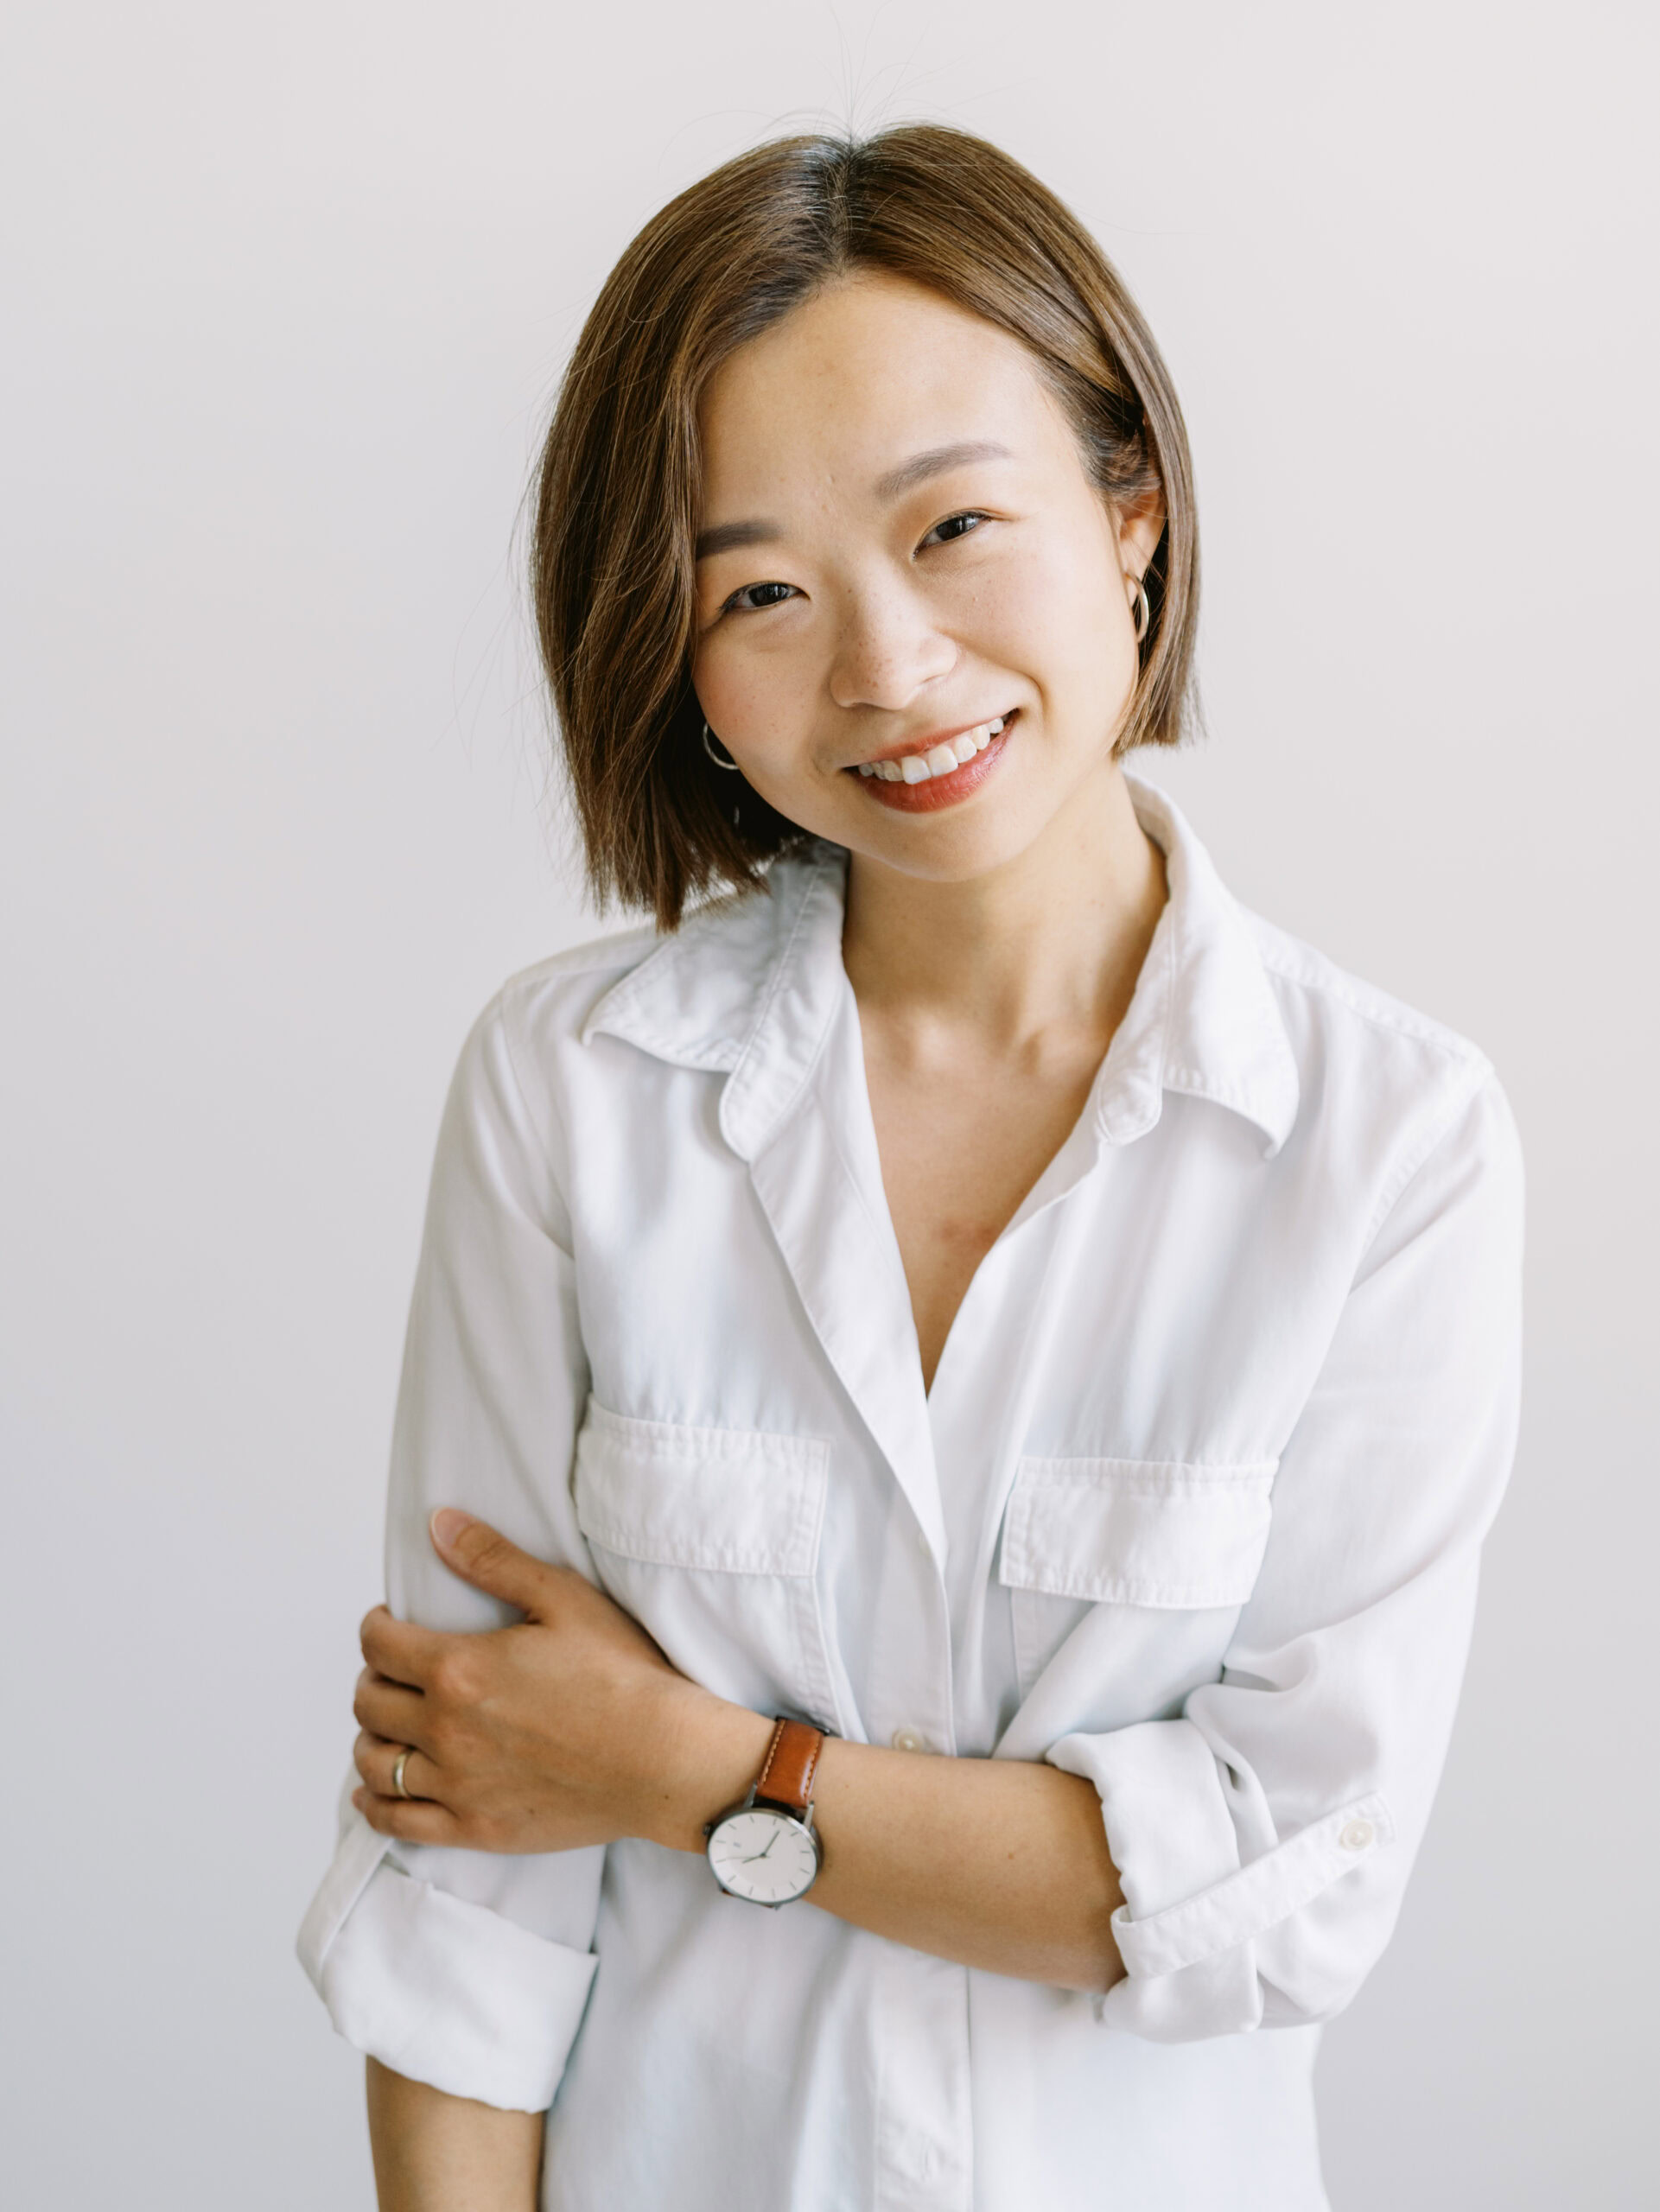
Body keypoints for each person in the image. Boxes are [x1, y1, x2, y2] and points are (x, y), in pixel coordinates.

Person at [296, 124, 1523, 2212]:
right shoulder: (569, 1092)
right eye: (759, 587)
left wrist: (693, 1768)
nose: (882, 665)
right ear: (676, 666)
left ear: (1127, 516)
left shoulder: (1389, 1141)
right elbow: (470, 1877)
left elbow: (1267, 1893)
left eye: (954, 523)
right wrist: (925, 1827)